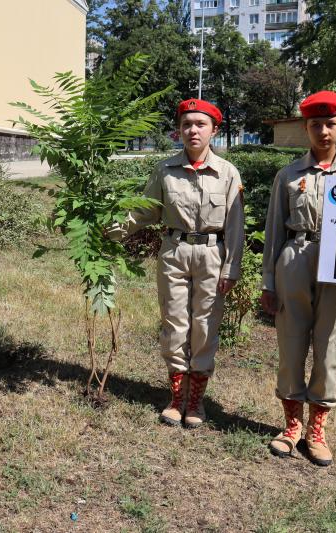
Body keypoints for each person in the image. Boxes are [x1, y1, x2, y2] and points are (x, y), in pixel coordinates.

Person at [110, 98, 244, 428]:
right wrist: (109, 232)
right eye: (186, 124)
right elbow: (145, 211)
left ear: (214, 130)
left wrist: (231, 268)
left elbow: (235, 225)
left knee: (205, 328)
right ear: (179, 131)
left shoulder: (227, 173)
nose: (192, 130)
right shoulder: (164, 170)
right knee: (174, 324)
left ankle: (195, 402)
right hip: (174, 252)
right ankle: (175, 397)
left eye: (200, 124)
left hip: (213, 255)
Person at [260, 90, 336, 466]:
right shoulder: (288, 175)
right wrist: (268, 282)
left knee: (331, 343)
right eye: (315, 124)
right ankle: (291, 426)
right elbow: (274, 230)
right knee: (291, 340)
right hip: (296, 256)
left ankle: (316, 430)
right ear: (306, 127)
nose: (323, 131)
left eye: (330, 124)